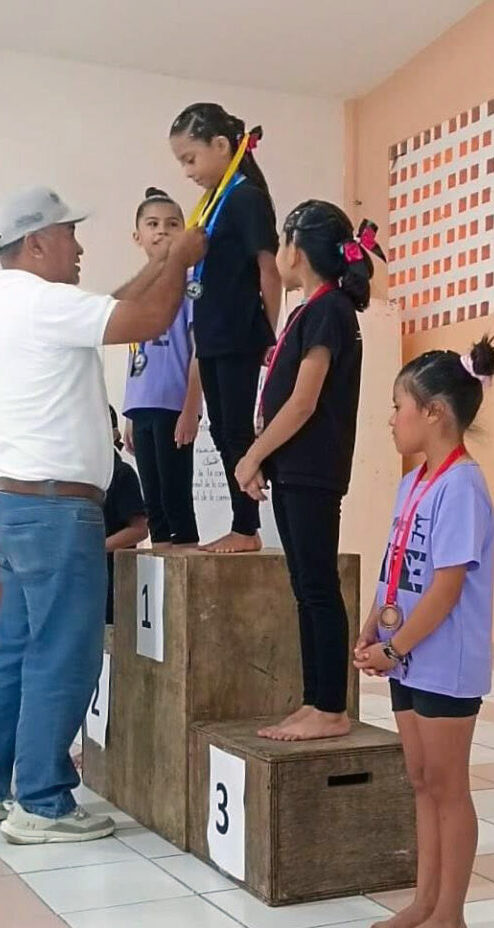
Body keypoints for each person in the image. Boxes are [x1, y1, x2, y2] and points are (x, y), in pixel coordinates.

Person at [0, 185, 205, 844]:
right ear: (37, 243)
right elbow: (147, 319)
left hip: (20, 507)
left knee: (17, 652)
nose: (79, 246)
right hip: (56, 513)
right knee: (64, 657)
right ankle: (43, 803)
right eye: (69, 234)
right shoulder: (43, 304)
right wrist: (182, 260)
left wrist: (158, 261)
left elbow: (113, 301)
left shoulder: (18, 302)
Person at [353, 335, 494, 928]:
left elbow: (446, 589)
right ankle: (424, 900)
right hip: (410, 656)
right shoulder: (414, 482)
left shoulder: (462, 486)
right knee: (420, 780)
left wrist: (394, 650)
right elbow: (396, 562)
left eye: (399, 407)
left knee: (448, 785)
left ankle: (450, 917)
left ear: (434, 413)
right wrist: (373, 626)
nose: (391, 419)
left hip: (445, 661)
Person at [236, 201, 384, 741]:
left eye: (282, 241)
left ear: (296, 249)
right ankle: (315, 699)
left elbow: (303, 403)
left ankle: (331, 707)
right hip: (295, 470)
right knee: (306, 586)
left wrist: (253, 455)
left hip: (313, 470)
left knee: (318, 586)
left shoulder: (330, 311)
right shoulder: (313, 309)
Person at [169, 102, 282, 553]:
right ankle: (242, 523)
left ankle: (246, 528)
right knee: (220, 431)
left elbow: (269, 271)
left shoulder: (245, 197)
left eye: (190, 159)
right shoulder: (215, 202)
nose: (187, 171)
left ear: (220, 146)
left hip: (239, 333)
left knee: (235, 430)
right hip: (213, 334)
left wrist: (270, 334)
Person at [122, 188, 201, 550]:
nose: (162, 231)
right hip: (142, 406)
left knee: (175, 497)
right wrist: (129, 413)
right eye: (152, 224)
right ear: (137, 236)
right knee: (153, 504)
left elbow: (199, 349)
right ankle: (160, 574)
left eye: (172, 224)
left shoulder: (191, 284)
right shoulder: (138, 289)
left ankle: (185, 567)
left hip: (174, 404)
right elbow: (134, 351)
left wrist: (191, 408)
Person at [104, 405, 148, 624]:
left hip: (113, 578)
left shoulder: (122, 474)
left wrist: (96, 548)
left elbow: (139, 529)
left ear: (114, 433)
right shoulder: (78, 474)